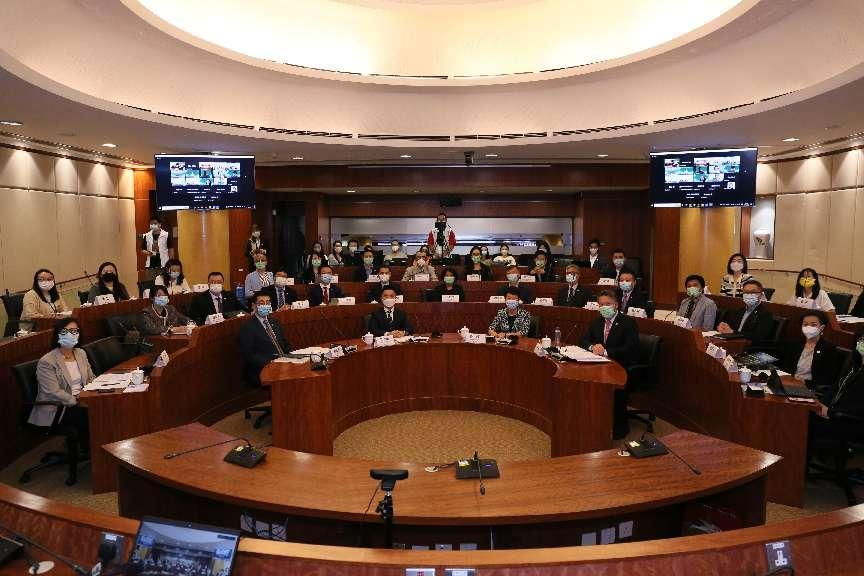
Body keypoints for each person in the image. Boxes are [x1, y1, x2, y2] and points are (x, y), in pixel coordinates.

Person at [29, 318, 94, 461]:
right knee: (93, 415)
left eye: (74, 331)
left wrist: (96, 393)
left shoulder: (80, 353)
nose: (70, 334)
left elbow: (90, 378)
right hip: (58, 407)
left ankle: (93, 448)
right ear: (58, 334)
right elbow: (53, 392)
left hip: (82, 399)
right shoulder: (47, 361)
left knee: (106, 407)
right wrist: (78, 401)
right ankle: (95, 453)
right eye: (65, 331)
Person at [781, 311, 839, 403]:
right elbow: (785, 367)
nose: (808, 327)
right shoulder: (795, 344)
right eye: (805, 324)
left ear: (822, 328)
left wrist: (806, 383)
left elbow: (828, 378)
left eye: (813, 325)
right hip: (790, 384)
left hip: (810, 389)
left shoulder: (828, 349)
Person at [239, 291, 291, 387]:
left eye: (268, 302)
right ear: (254, 306)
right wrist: (271, 363)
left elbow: (284, 342)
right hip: (262, 368)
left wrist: (292, 356)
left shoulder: (274, 322)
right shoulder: (247, 327)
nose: (265, 305)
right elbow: (249, 355)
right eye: (261, 303)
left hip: (282, 363)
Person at [580, 290, 639, 366]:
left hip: (621, 364)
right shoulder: (597, 321)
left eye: (608, 304)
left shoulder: (628, 322)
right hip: (600, 362)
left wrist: (605, 352)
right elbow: (583, 341)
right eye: (601, 304)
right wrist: (592, 347)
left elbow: (630, 348)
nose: (604, 307)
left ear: (616, 305)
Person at [717, 280, 775, 344]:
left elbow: (758, 336)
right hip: (732, 342)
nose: (749, 295)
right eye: (746, 292)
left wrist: (732, 332)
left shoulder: (765, 314)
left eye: (753, 292)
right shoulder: (739, 311)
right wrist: (723, 327)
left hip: (749, 346)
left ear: (761, 295)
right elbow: (729, 326)